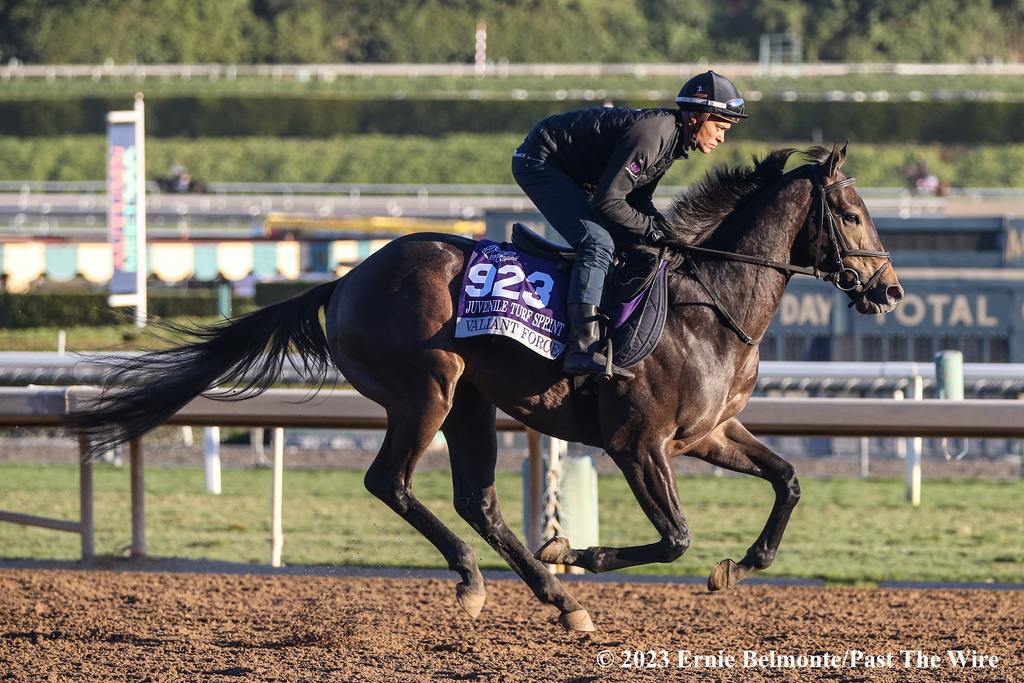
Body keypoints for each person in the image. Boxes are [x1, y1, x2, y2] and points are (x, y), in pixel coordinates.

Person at [511, 70, 747, 379]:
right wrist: (654, 230)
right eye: (718, 126)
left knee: (636, 243)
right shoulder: (654, 135)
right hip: (540, 161)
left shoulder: (673, 140)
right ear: (695, 117)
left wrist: (669, 234)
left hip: (577, 173)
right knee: (597, 242)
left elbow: (635, 201)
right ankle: (581, 347)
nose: (721, 137)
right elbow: (608, 202)